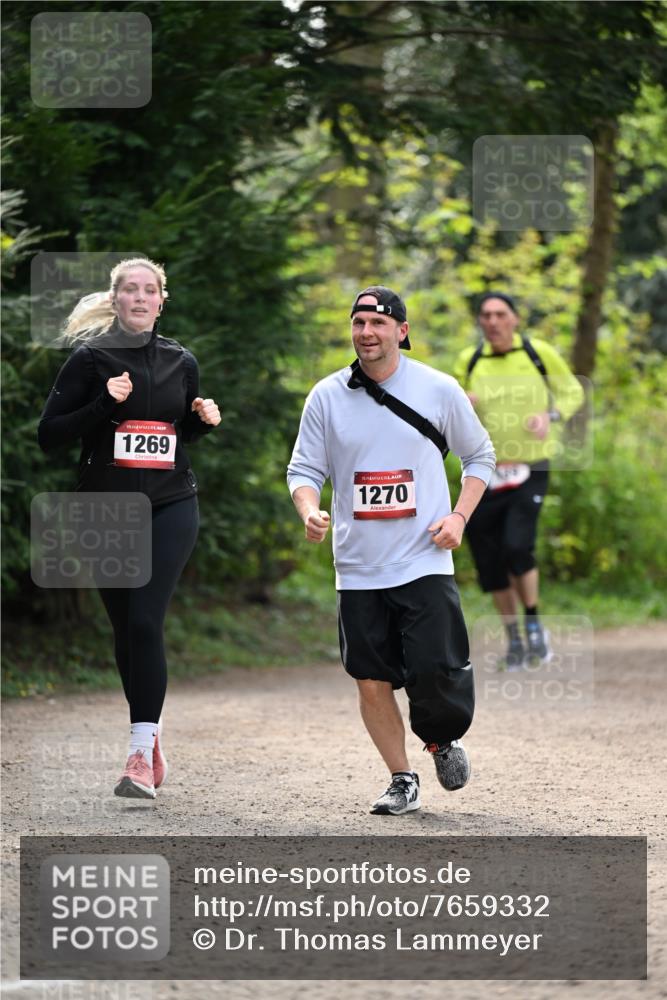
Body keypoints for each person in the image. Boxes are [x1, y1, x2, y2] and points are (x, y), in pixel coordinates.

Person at [287, 286, 495, 815]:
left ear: (401, 330)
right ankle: (401, 779)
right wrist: (309, 510)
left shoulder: (438, 388)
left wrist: (459, 517)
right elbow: (304, 470)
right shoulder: (327, 396)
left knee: (434, 669)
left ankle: (440, 739)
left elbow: (480, 457)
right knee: (371, 677)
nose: (366, 332)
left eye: (378, 323)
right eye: (358, 323)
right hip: (357, 565)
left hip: (423, 556)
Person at [38, 257, 221, 799]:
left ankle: (138, 755)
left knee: (144, 618)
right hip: (104, 510)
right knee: (126, 630)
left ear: (162, 300)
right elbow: (51, 435)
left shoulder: (181, 361)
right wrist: (103, 403)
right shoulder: (90, 359)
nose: (140, 299)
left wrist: (200, 423)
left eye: (149, 291)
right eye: (129, 290)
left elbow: (174, 439)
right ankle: (151, 730)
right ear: (115, 299)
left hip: (170, 504)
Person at [454, 292, 584, 668]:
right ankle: (513, 642)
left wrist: (551, 415)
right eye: (486, 315)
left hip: (531, 467)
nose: (492, 321)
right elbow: (451, 404)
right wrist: (464, 401)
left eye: (500, 314)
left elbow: (573, 390)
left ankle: (533, 625)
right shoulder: (470, 359)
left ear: (515, 319)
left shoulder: (537, 353)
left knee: (517, 546)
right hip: (484, 472)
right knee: (489, 559)